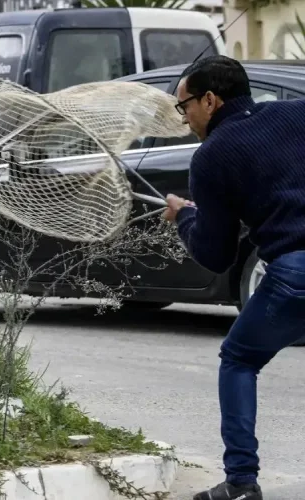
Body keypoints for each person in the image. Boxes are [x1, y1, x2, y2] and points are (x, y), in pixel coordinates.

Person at [162, 55, 305, 500]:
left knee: (239, 360)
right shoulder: (295, 112)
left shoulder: (212, 156)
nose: (184, 119)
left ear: (210, 99)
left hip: (295, 274)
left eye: (184, 106)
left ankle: (241, 483)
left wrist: (186, 217)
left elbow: (216, 254)